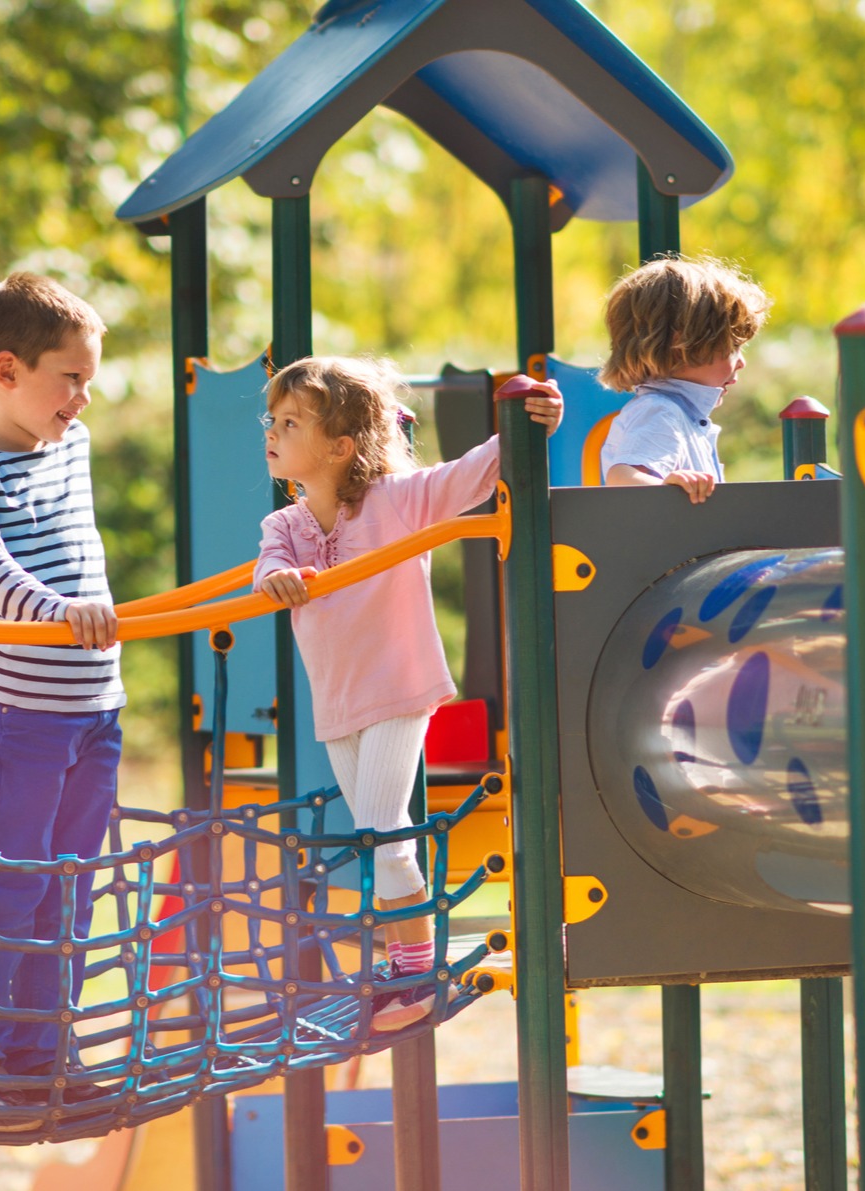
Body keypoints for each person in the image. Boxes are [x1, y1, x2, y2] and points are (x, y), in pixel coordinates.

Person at [252, 356, 561, 1031]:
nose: (272, 432)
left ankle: (415, 975)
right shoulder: (287, 526)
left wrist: (525, 420)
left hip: (398, 688)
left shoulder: (396, 502)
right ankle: (402, 969)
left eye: (290, 422)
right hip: (338, 706)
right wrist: (275, 578)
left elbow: (469, 474)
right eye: (271, 420)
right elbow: (267, 568)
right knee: (372, 838)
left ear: (339, 446)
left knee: (384, 835)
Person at [0, 273, 121, 1111]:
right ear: (5, 370)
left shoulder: (68, 445)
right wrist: (60, 613)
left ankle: (41, 1055)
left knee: (70, 882)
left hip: (96, 708)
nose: (84, 396)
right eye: (69, 377)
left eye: (89, 376)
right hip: (19, 713)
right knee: (13, 880)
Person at [597, 255, 771, 502]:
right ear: (684, 345)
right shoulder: (661, 411)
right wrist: (663, 487)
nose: (741, 362)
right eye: (733, 346)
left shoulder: (681, 415)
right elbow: (623, 478)